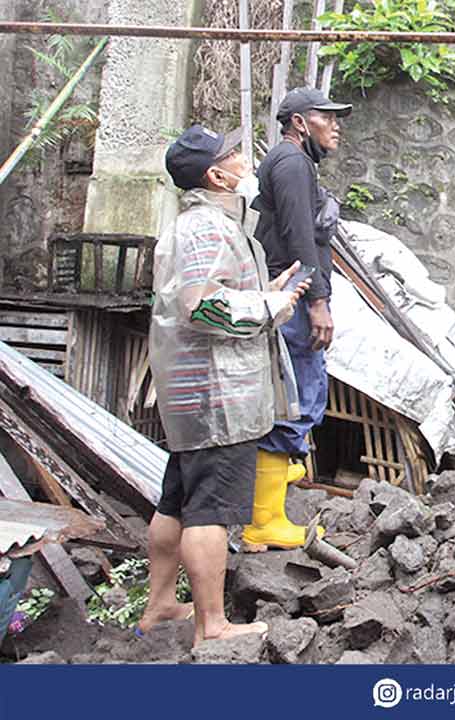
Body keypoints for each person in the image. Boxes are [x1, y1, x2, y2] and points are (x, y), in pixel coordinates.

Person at [140, 125, 309, 644]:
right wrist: (270, 306)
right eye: (233, 156)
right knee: (209, 511)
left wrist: (264, 291)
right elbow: (202, 305)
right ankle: (212, 625)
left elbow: (212, 291)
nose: (243, 161)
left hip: (196, 395)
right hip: (218, 397)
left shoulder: (203, 225)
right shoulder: (208, 228)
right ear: (215, 175)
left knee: (176, 502)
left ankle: (161, 605)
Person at [243, 87, 351, 551]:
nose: (337, 126)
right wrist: (317, 299)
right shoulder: (289, 164)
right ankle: (263, 521)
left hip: (294, 288)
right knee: (296, 398)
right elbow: (298, 235)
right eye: (328, 118)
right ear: (301, 124)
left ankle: (269, 510)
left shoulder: (293, 163)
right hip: (294, 290)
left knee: (300, 395)